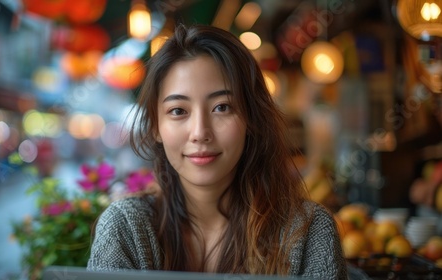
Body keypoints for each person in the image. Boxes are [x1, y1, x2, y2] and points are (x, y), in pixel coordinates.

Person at [88, 24, 347, 279]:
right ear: (156, 126)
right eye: (178, 111)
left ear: (251, 118)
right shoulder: (125, 228)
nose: (200, 132)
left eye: (222, 107)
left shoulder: (307, 232)